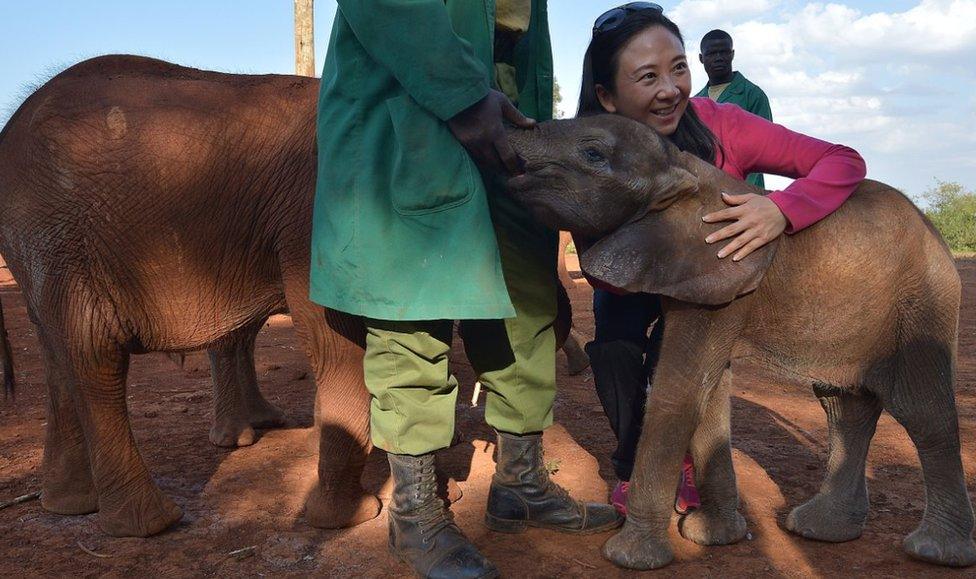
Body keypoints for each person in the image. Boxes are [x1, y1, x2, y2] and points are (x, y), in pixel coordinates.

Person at [309, 2, 621, 577]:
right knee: (412, 307)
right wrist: (463, 93)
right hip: (409, 95)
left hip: (506, 107)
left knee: (525, 302)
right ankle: (415, 511)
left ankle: (521, 484)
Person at [576, 3, 866, 516]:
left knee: (682, 348)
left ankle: (674, 465)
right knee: (616, 345)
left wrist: (782, 209)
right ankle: (635, 467)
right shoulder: (591, 154)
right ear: (607, 96)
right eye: (647, 77)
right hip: (633, 282)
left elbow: (842, 160)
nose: (670, 89)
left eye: (678, 68)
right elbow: (604, 267)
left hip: (708, 283)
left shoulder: (722, 124)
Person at [695, 28, 773, 188]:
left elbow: (764, 148)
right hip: (706, 191)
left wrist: (741, 190)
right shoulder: (695, 102)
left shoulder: (752, 95)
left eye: (723, 52)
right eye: (711, 54)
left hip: (746, 193)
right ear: (701, 58)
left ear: (732, 54)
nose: (718, 58)